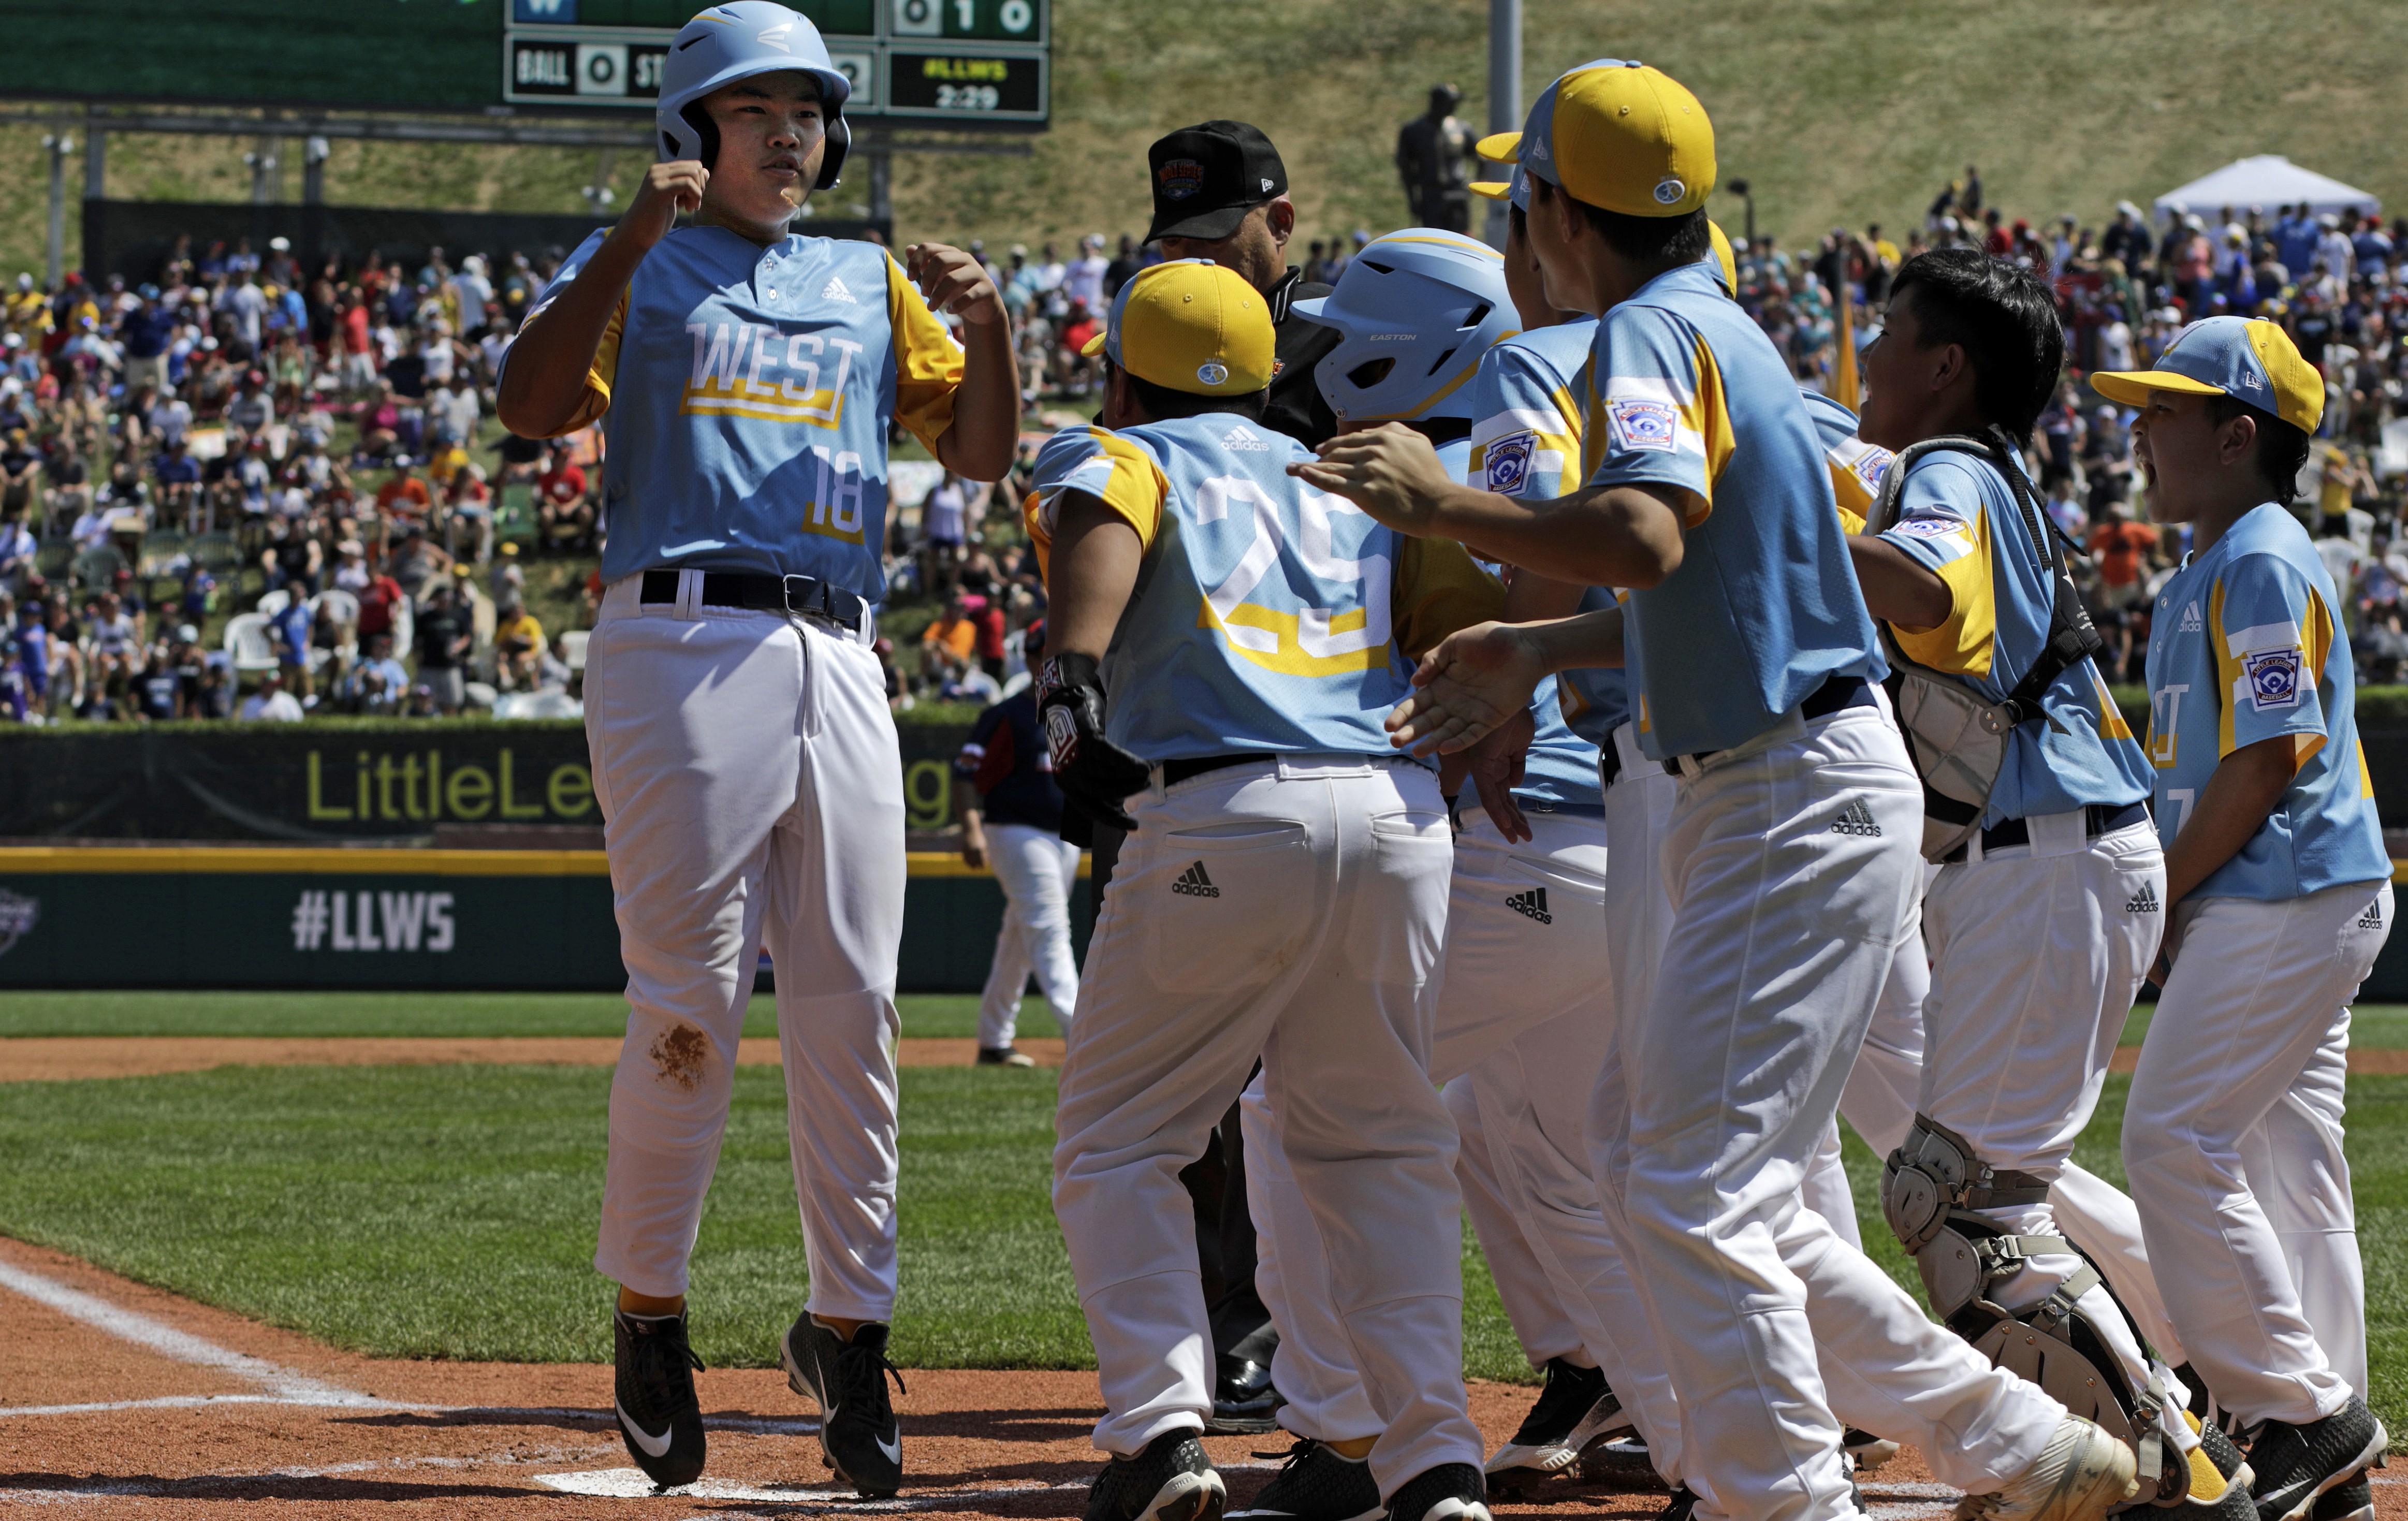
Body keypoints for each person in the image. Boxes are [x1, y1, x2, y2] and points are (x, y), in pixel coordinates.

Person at [1295, 58, 2138, 1521]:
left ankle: (1790, 1499)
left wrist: (1438, 505)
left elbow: (1638, 530)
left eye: (1527, 200)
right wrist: (1535, 647)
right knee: (1659, 1157)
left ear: (1558, 211)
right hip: (1776, 774)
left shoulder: (1641, 336)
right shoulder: (1712, 329)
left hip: (1781, 786)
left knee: (1692, 1184)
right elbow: (1713, 582)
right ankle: (2006, 1437)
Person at [494, 1, 1016, 1495]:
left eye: (807, 110)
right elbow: (527, 409)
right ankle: (649, 1308)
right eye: (752, 109)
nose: (789, 133)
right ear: (689, 133)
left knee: (856, 1002)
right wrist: (616, 248)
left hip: (841, 647)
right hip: (675, 640)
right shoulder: (643, 263)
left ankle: (849, 1329)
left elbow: (977, 454)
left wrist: (988, 329)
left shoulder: (867, 279)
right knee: (690, 1003)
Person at [1035, 257, 1494, 1521]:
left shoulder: (1126, 445)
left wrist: (1073, 668)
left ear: (1124, 373)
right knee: (1384, 1150)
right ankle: (1435, 1457)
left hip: (1227, 804)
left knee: (1122, 1137)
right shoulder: (1338, 467)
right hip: (1396, 811)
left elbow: (1105, 507)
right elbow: (1457, 602)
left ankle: (1155, 1432)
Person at [1235, 219, 1646, 1521]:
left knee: (1297, 1106)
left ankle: (1343, 1434)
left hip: (1507, 847)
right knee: (1588, 1178)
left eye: (1346, 338)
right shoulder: (1544, 459)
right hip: (1614, 854)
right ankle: (1703, 1436)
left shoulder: (1437, 481)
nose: (1319, 359)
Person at [1848, 248, 2203, 1503]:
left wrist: (1794, 532)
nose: (1866, 349)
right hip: (2060, 851)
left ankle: (2176, 1451)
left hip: (2046, 853)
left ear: (1945, 366)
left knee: (1964, 1207)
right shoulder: (1977, 466)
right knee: (1968, 1198)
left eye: (1887, 330)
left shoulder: (1942, 467)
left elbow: (1926, 585)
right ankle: (2172, 1436)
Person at [2094, 319, 2392, 1521]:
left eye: (2163, 410)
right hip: (2286, 890)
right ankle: (2328, 1448)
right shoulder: (2217, 560)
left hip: (2282, 887)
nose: (2138, 428)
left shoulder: (2260, 556)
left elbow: (2269, 753)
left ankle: (2300, 1413)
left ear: (2235, 433)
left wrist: (2164, 888)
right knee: (2287, 1163)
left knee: (2170, 1138)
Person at [1139, 117, 1344, 1428]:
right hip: (1201, 731)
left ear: (1282, 218)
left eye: (1225, 237)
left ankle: (1348, 1346)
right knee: (1207, 1088)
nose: (1207, 263)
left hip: (1334, 722)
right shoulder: (1155, 326)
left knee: (1349, 1090)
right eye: (1180, 245)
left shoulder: (1346, 334)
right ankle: (1240, 1319)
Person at [954, 617, 1078, 1067]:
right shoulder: (1006, 714)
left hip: (1062, 837)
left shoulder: (1078, 710)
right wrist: (970, 827)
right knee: (1049, 931)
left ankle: (993, 1040)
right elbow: (964, 773)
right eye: (1044, 649)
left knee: (1019, 941)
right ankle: (1083, 1037)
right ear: (1028, 657)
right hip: (1016, 832)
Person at [1395, 83, 1477, 233]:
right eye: (1451, 103)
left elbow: (1480, 157)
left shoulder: (1461, 128)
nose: (1454, 107)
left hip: (1458, 193)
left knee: (1461, 242)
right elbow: (1405, 167)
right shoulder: (1414, 131)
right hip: (1432, 196)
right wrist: (1413, 199)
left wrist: (1475, 186)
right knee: (1434, 241)